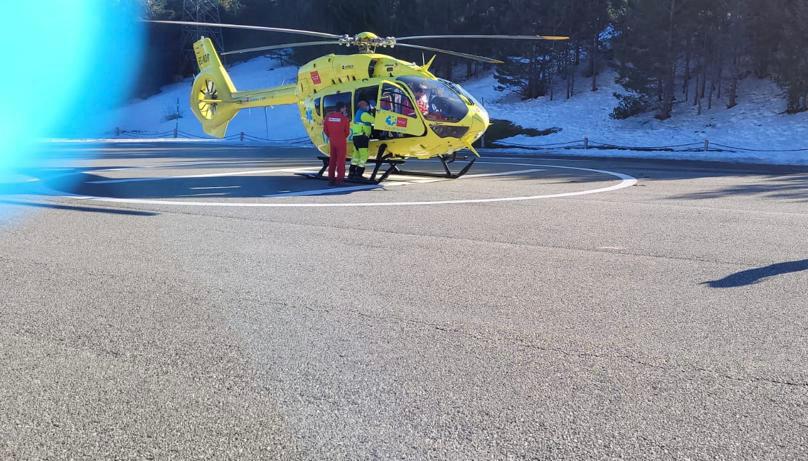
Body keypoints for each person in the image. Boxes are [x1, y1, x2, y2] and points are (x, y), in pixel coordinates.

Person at [322, 102, 350, 185]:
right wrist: (341, 137)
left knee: (332, 160)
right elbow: (347, 132)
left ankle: (331, 178)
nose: (345, 109)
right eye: (345, 108)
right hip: (341, 141)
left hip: (332, 140)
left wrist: (331, 136)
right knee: (341, 161)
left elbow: (325, 130)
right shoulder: (344, 118)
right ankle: (339, 179)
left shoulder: (328, 117)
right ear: (341, 108)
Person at [350, 99, 375, 180]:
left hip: (356, 137)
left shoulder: (358, 113)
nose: (368, 107)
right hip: (362, 137)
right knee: (364, 155)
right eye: (367, 105)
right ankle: (359, 173)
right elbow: (375, 120)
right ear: (363, 106)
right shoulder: (364, 114)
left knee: (356, 155)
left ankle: (352, 172)